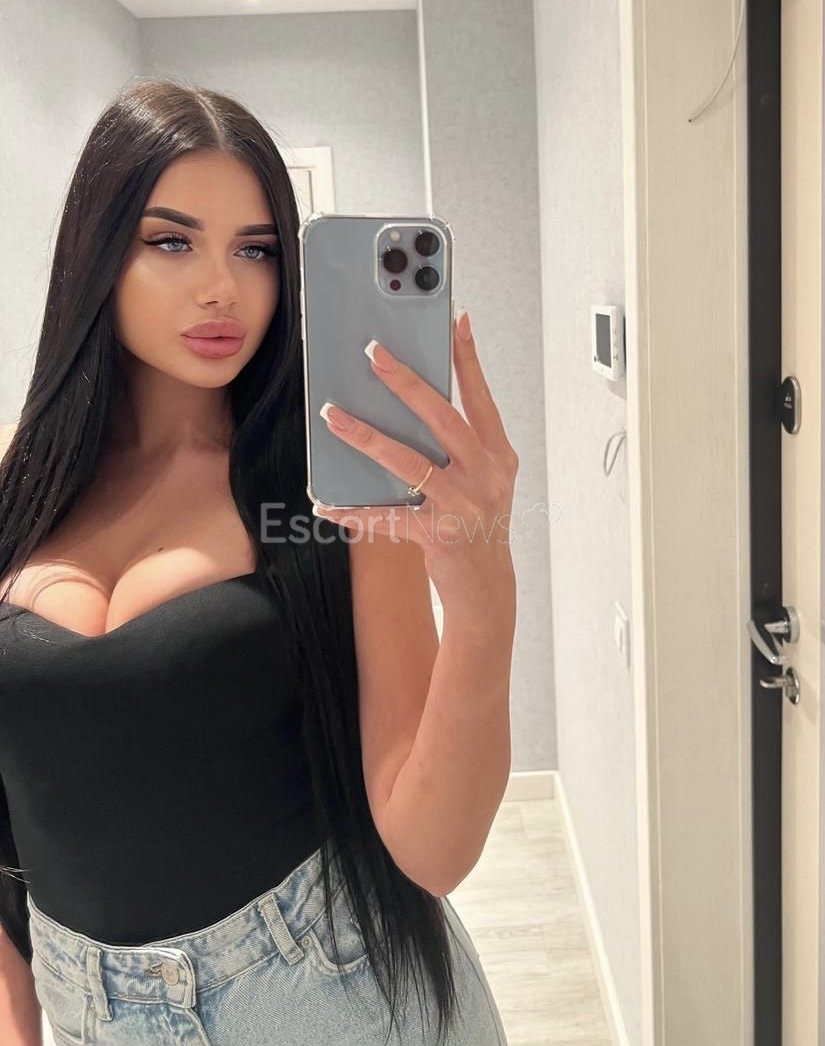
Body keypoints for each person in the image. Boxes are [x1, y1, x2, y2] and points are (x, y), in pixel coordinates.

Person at [0, 78, 518, 1045]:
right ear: (95, 252)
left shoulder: (333, 487)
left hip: (332, 992)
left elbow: (433, 850)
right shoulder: (16, 483)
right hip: (88, 1011)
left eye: (256, 250)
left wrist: (482, 589)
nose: (221, 288)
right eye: (172, 242)